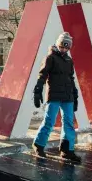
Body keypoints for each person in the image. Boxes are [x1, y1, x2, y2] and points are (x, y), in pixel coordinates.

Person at [31, 32, 82, 163]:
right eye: (62, 46)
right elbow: (42, 75)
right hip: (54, 95)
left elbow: (71, 79)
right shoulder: (51, 58)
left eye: (66, 47)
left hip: (67, 96)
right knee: (49, 122)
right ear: (58, 44)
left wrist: (75, 95)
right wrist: (38, 90)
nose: (63, 49)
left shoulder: (69, 60)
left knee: (69, 123)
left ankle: (67, 150)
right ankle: (38, 145)